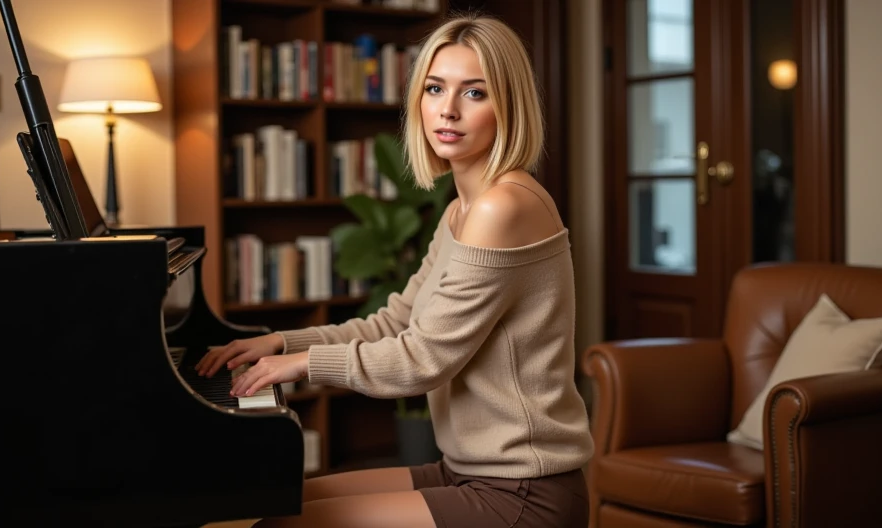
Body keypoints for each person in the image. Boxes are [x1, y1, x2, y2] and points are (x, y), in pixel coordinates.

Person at [196, 12, 593, 528]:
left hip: (524, 492)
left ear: (508, 105)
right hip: (465, 471)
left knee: (287, 525)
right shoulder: (462, 211)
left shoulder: (504, 208)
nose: (447, 110)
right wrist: (282, 343)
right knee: (283, 502)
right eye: (434, 89)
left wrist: (304, 366)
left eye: (475, 93)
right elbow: (396, 322)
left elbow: (423, 359)